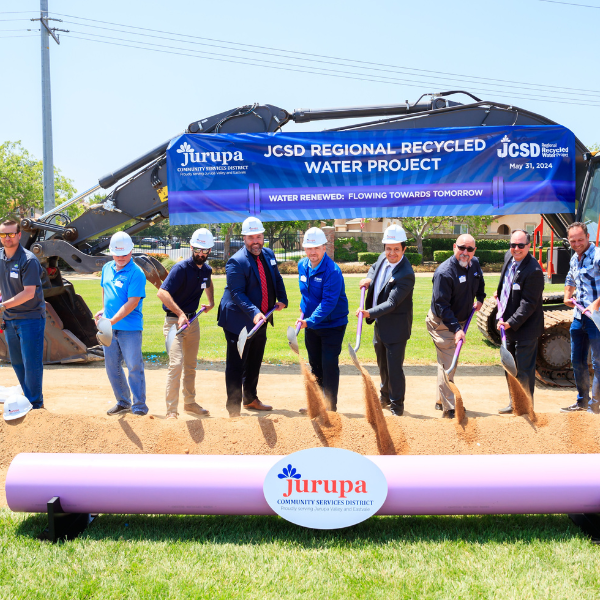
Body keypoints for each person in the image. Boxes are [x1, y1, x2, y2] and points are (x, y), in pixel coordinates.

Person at [217, 217, 288, 417]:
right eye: (251, 237)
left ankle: (250, 399)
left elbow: (276, 277)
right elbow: (237, 293)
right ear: (244, 238)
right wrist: (255, 312)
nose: (256, 241)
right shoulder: (236, 261)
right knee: (236, 363)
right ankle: (233, 409)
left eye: (259, 236)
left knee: (255, 359)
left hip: (261, 318)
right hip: (238, 319)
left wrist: (281, 298)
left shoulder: (268, 254)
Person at [357, 224, 415, 416]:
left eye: (396, 249)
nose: (391, 253)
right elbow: (374, 268)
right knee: (382, 365)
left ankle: (397, 405)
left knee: (394, 368)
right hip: (380, 324)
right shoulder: (383, 258)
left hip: (396, 328)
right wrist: (368, 278)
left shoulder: (406, 273)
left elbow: (391, 303)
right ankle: (384, 397)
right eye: (388, 248)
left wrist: (369, 313)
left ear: (404, 249)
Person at [157, 228, 215, 419]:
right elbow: (162, 293)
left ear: (209, 250)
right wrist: (180, 313)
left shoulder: (206, 269)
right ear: (191, 247)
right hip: (175, 322)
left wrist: (211, 302)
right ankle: (171, 411)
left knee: (190, 365)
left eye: (205, 250)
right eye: (198, 249)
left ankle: (189, 403)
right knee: (176, 364)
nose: (201, 254)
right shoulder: (180, 269)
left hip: (193, 322)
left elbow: (208, 282)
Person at [426, 234, 485, 418]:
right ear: (454, 247)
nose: (465, 253)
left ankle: (440, 400)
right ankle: (450, 408)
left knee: (445, 361)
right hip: (441, 323)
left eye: (469, 249)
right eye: (461, 248)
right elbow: (441, 306)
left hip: (458, 320)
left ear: (474, 250)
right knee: (450, 362)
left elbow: (479, 281)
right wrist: (457, 329)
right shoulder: (444, 273)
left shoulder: (474, 263)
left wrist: (480, 298)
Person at [95, 231, 148, 416]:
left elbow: (132, 302)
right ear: (111, 252)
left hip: (130, 329)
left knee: (134, 367)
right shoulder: (107, 268)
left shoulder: (136, 273)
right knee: (112, 367)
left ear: (131, 251)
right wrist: (103, 310)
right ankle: (123, 402)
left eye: (125, 254)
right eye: (117, 254)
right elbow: (105, 290)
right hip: (109, 327)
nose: (121, 258)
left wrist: (111, 320)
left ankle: (139, 406)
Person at [296, 227, 348, 412]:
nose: (312, 252)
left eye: (316, 248)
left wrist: (308, 321)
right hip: (311, 324)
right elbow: (306, 294)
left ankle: (330, 407)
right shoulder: (302, 265)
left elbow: (328, 303)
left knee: (328, 364)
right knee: (315, 364)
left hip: (333, 325)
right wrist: (303, 313)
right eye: (309, 248)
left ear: (324, 248)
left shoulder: (332, 271)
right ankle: (317, 404)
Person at [495, 229, 544, 414]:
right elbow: (506, 281)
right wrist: (500, 293)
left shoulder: (534, 271)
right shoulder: (510, 257)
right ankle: (514, 403)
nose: (516, 249)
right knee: (509, 367)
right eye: (513, 245)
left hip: (526, 329)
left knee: (523, 370)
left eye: (520, 245)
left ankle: (525, 408)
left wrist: (511, 322)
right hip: (509, 326)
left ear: (529, 246)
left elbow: (529, 304)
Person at [0, 219, 46, 410]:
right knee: (18, 363)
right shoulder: (0, 257)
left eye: (11, 234)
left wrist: (2, 306)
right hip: (10, 319)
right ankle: (27, 400)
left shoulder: (28, 260)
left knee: (31, 363)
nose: (7, 238)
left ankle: (35, 404)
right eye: (3, 234)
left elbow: (29, 293)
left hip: (30, 319)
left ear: (19, 235)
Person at [562, 222, 600, 414]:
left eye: (580, 240)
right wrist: (567, 294)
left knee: (598, 362)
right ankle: (582, 401)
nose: (577, 244)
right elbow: (570, 278)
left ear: (588, 237)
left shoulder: (598, 256)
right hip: (579, 318)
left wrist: (597, 303)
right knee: (577, 361)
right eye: (572, 241)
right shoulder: (575, 258)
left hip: (597, 319)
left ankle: (595, 405)